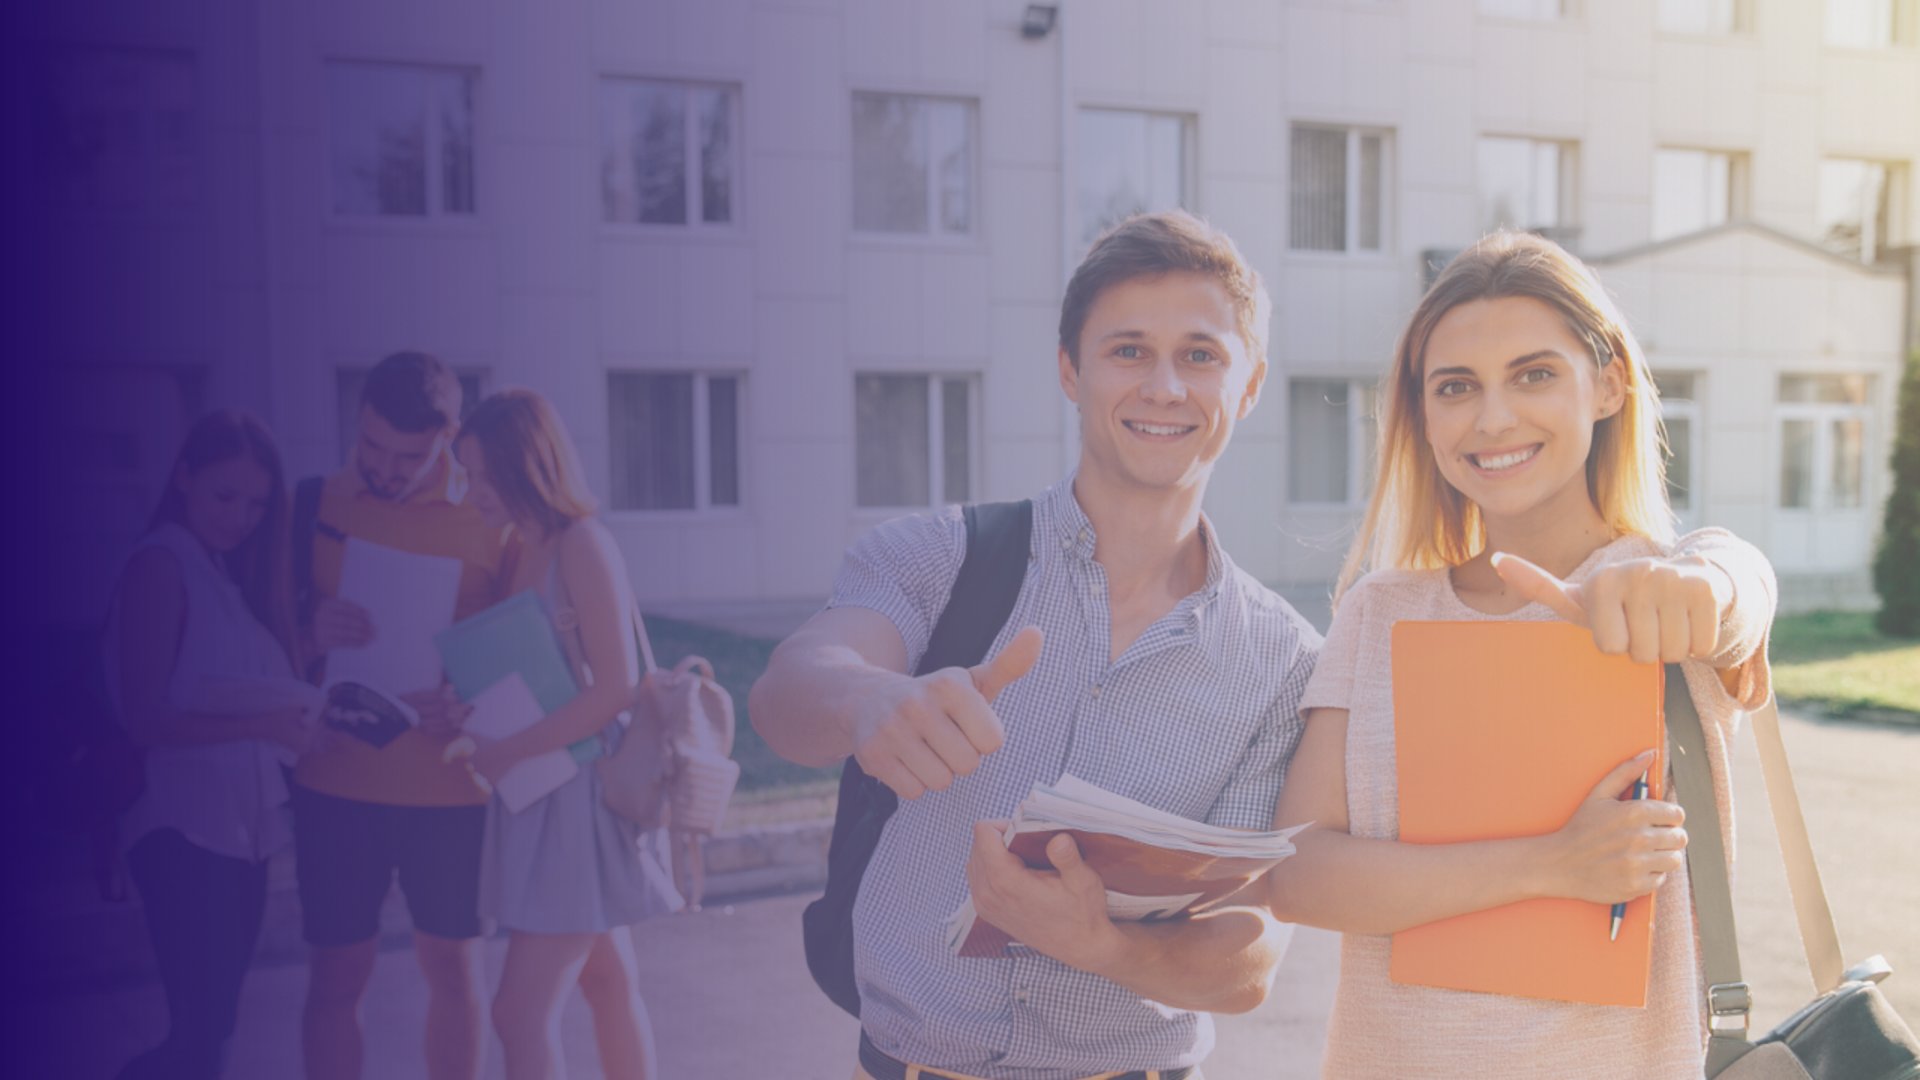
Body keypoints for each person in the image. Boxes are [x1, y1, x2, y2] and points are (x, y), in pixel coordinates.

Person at [751, 210, 1319, 1080]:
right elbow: (789, 690)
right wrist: (867, 699)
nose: (1165, 386)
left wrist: (1102, 947)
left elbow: (1247, 957)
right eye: (1128, 349)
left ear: (1247, 387)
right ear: (1070, 371)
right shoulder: (941, 557)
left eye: (1200, 354)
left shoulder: (1282, 662)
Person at [1264, 231, 1776, 1079]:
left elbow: (1735, 589)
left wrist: (1722, 586)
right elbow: (1298, 874)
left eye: (1534, 374)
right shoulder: (1380, 613)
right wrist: (1551, 864)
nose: (1493, 417)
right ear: (1423, 415)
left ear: (1608, 383)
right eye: (1456, 387)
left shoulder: (1661, 589)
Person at [291, 352, 513, 1080]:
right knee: (335, 974)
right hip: (333, 783)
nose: (384, 469)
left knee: (452, 970)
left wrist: (466, 696)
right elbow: (272, 649)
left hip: (448, 789)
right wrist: (310, 633)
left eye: (408, 456)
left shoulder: (485, 514)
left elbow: (519, 656)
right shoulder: (314, 503)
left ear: (448, 438)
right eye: (371, 448)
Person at [446, 388, 678, 1080]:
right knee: (606, 984)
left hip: (579, 800)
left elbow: (616, 688)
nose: (474, 492)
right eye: (468, 475)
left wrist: (504, 750)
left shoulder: (583, 543)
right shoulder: (525, 546)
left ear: (529, 467)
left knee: (518, 1014)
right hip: (546, 791)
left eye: (485, 475)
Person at [106, 410, 311, 1079]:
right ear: (184, 476)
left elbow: (253, 688)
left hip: (242, 837)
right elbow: (145, 719)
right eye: (227, 497)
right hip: (180, 831)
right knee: (199, 1043)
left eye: (256, 504)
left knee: (212, 1034)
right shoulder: (161, 564)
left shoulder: (224, 576)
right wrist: (262, 726)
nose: (241, 517)